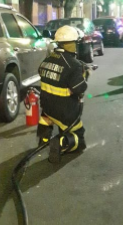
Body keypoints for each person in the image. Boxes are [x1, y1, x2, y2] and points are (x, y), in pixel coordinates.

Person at [37, 25, 88, 163]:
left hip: (47, 108)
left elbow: (42, 72)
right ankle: (61, 143)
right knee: (79, 137)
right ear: (70, 44)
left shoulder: (47, 60)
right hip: (64, 111)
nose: (76, 47)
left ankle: (44, 138)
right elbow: (80, 89)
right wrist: (84, 74)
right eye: (75, 43)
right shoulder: (74, 65)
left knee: (46, 118)